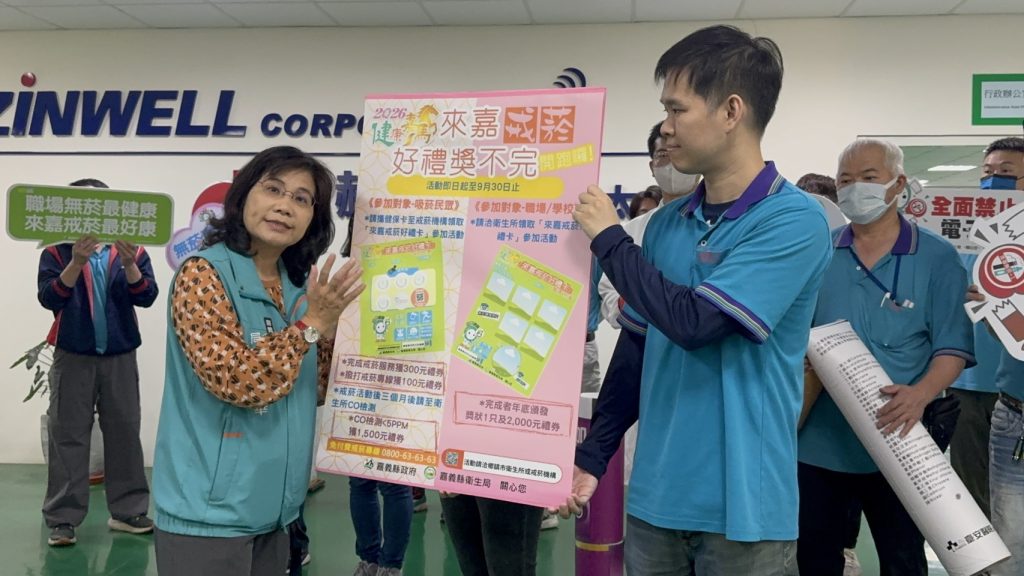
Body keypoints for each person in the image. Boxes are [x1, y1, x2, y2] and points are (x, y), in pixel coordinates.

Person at [565, 25, 832, 575]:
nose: (665, 127)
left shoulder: (793, 220)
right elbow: (638, 348)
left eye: (676, 109)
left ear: (731, 110)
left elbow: (697, 324)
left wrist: (610, 239)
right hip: (655, 499)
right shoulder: (666, 226)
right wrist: (593, 456)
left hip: (745, 510)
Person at [152, 146, 364, 576]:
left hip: (277, 510)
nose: (285, 206)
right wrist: (312, 325)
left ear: (313, 218)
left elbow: (315, 387)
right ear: (244, 195)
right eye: (273, 189)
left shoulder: (300, 288)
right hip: (208, 514)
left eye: (302, 199)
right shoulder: (204, 274)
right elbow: (238, 381)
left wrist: (336, 330)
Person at [797, 138, 974, 576]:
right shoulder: (819, 252)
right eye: (845, 180)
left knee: (903, 560)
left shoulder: (937, 257)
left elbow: (952, 347)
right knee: (814, 560)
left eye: (869, 177)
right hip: (820, 445)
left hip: (901, 440)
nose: (855, 188)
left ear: (898, 184)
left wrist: (920, 394)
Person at [37, 177, 159, 547]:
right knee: (68, 434)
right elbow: (49, 297)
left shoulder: (131, 250)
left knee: (124, 431)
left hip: (120, 356)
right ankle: (63, 518)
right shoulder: (56, 251)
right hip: (73, 355)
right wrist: (76, 262)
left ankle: (128, 511)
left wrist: (130, 264)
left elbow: (147, 295)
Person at [947, 137, 1024, 522]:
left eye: (1006, 174)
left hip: (1014, 387)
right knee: (972, 492)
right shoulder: (964, 234)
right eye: (987, 173)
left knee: (1013, 501)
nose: (993, 182)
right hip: (967, 379)